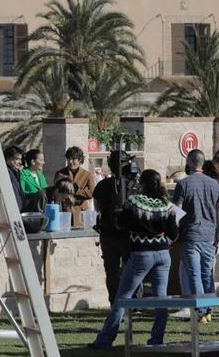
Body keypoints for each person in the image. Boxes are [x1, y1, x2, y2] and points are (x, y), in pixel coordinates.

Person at [89, 170, 179, 350]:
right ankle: (157, 338)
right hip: (163, 254)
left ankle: (105, 339)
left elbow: (120, 224)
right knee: (161, 298)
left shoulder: (134, 202)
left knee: (123, 297)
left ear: (142, 183)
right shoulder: (166, 204)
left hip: (141, 254)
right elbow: (174, 234)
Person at [172, 150, 219, 324]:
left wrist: (172, 231)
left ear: (190, 163)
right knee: (207, 273)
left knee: (194, 274)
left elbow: (176, 212)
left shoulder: (184, 184)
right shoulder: (215, 185)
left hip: (190, 234)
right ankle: (208, 309)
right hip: (209, 234)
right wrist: (216, 232)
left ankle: (200, 311)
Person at [92, 151, 138, 307]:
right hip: (129, 234)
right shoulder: (135, 185)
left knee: (112, 272)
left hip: (108, 234)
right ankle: (134, 302)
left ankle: (115, 302)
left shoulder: (102, 184)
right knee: (132, 269)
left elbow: (97, 207)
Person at [52, 146, 95, 227]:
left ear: (80, 160)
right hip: (64, 212)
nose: (70, 161)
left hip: (81, 212)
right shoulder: (60, 173)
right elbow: (56, 192)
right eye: (68, 159)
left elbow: (92, 193)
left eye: (73, 159)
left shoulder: (87, 174)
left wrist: (76, 190)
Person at [4, 145, 24, 210]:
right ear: (8, 158)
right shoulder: (6, 173)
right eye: (17, 159)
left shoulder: (15, 173)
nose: (20, 162)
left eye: (20, 159)